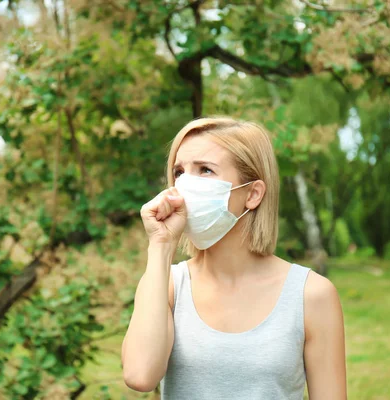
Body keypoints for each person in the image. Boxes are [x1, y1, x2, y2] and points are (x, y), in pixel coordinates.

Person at [121, 116, 347, 399]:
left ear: (252, 194)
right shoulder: (166, 285)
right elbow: (139, 375)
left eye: (205, 170)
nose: (186, 185)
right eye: (179, 172)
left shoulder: (311, 295)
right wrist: (160, 245)